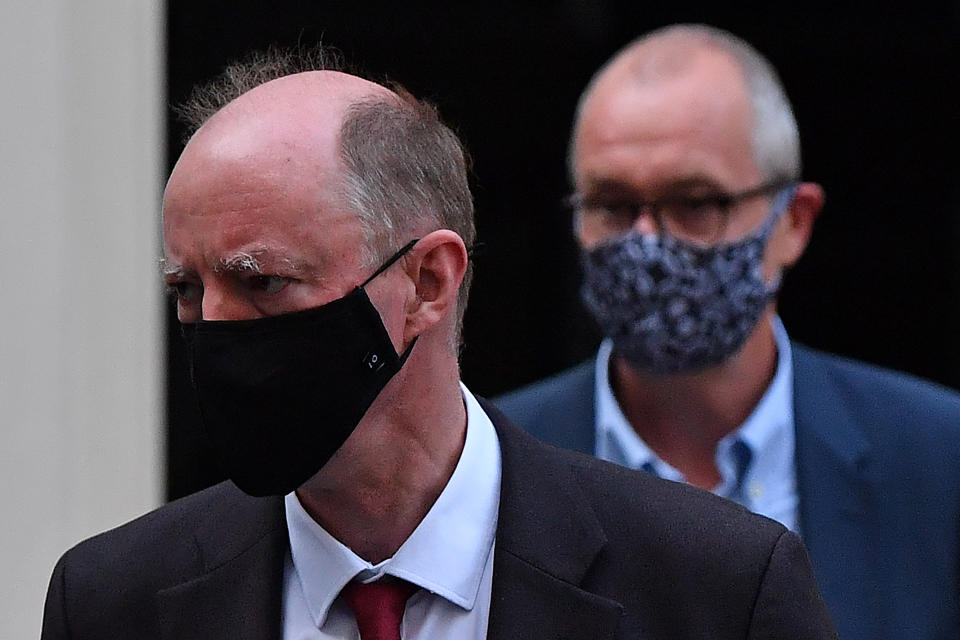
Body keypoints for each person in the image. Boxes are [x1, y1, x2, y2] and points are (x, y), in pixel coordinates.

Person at [40, 46, 836, 639]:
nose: (215, 328)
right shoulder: (114, 601)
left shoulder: (718, 589)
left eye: (263, 282)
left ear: (427, 282)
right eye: (186, 290)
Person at [495, 23, 960, 640]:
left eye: (694, 203)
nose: (646, 243)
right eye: (611, 204)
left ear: (794, 222)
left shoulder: (938, 459)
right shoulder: (491, 463)